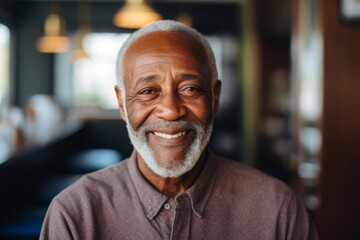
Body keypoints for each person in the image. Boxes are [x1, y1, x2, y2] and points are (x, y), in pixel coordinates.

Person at [40, 20, 317, 239]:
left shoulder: (277, 209)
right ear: (123, 105)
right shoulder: (76, 214)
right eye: (148, 91)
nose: (171, 110)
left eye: (190, 89)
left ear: (214, 97)